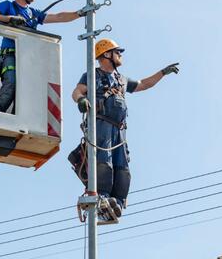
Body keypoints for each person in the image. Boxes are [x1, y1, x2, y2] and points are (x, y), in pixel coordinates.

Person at [71, 38, 179, 219]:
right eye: (117, 52)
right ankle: (103, 197)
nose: (120, 55)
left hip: (119, 129)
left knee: (123, 167)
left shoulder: (121, 80)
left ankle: (118, 202)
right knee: (104, 161)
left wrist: (162, 73)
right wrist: (81, 100)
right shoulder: (92, 75)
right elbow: (77, 91)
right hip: (101, 124)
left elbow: (143, 84)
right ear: (107, 54)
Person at [0, 0, 81, 113]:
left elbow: (58, 16)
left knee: (26, 91)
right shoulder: (8, 6)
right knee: (11, 83)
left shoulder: (33, 13)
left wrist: (80, 13)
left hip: (27, 59)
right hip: (10, 56)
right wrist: (10, 19)